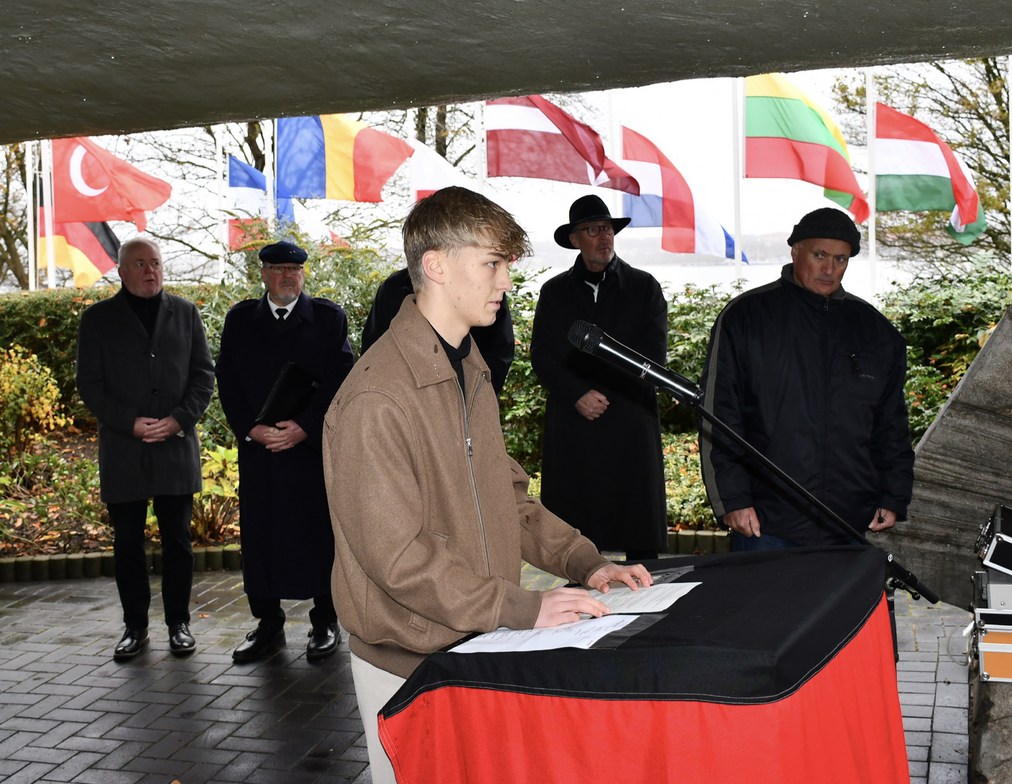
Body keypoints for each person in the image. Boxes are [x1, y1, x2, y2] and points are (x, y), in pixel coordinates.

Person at [323, 186, 652, 784]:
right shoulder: (377, 396)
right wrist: (520, 606)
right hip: (410, 664)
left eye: (508, 265)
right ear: (436, 265)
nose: (506, 282)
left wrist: (585, 563)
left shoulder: (467, 368)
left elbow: (510, 498)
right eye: (492, 264)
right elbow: (397, 559)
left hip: (476, 643)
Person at [700, 207, 915, 550]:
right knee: (765, 607)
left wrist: (893, 494)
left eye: (841, 259)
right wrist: (732, 500)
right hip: (765, 523)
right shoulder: (745, 318)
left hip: (850, 522)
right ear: (795, 249)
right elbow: (719, 415)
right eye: (820, 255)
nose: (830, 270)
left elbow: (891, 424)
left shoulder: (877, 331)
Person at [76, 237, 215, 661]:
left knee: (177, 542)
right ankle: (135, 627)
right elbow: (90, 386)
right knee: (128, 544)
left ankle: (179, 624)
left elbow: (203, 375)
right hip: (125, 450)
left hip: (174, 445)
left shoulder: (186, 313)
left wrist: (179, 419)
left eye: (155, 262)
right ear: (121, 271)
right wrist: (129, 422)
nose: (150, 270)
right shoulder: (97, 319)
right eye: (140, 264)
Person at [215, 241, 354, 663]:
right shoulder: (241, 320)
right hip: (261, 453)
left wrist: (303, 428)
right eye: (278, 269)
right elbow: (228, 381)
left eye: (294, 269)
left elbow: (340, 380)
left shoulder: (328, 319)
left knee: (317, 536)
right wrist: (252, 429)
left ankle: (325, 622)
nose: (287, 276)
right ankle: (267, 625)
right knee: (261, 536)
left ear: (304, 274)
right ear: (263, 274)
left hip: (308, 452)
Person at [529, 195, 668, 560]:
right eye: (593, 230)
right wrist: (577, 393)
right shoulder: (554, 292)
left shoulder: (644, 287)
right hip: (575, 429)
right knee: (577, 545)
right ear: (575, 239)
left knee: (641, 543)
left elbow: (652, 357)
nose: (604, 237)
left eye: (608, 229)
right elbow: (541, 356)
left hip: (630, 426)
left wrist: (604, 391)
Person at [359, 267, 515, 396]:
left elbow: (500, 354)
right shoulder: (394, 287)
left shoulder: (485, 293)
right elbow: (373, 353)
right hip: (402, 405)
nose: (506, 284)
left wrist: (474, 396)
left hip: (471, 405)